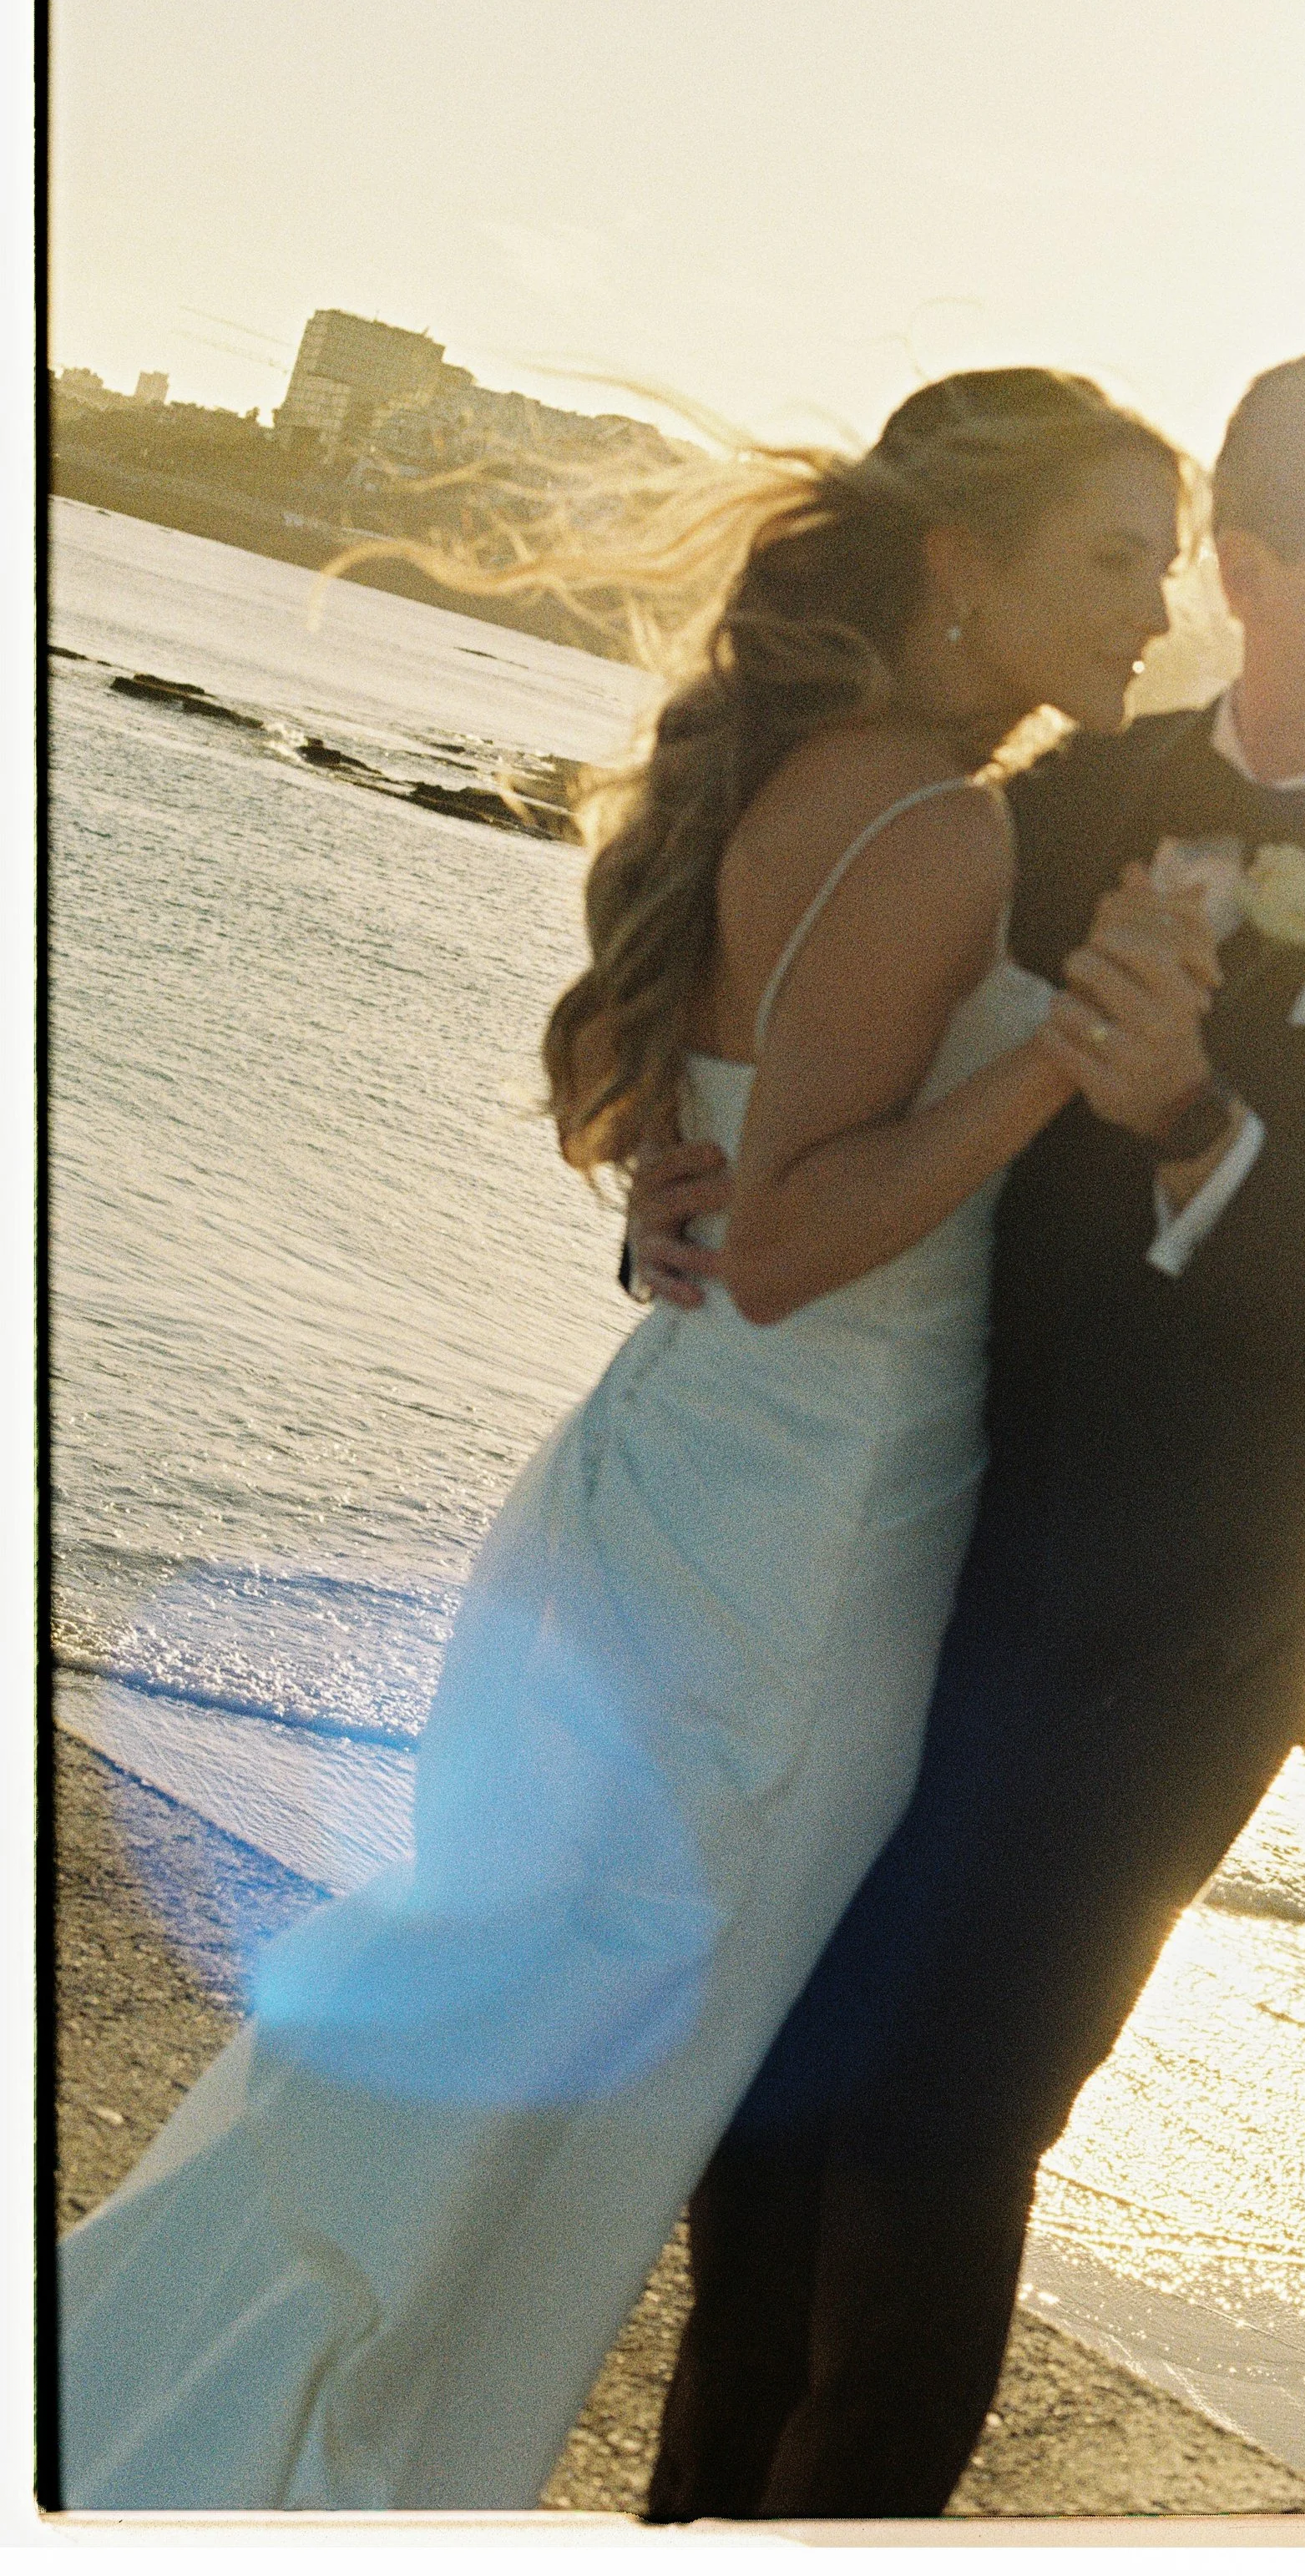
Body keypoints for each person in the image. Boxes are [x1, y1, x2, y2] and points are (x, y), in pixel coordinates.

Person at [56, 367, 1213, 2512]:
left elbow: (715, 1167)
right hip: (777, 1574)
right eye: (1114, 560)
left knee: (497, 2096)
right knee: (528, 2142)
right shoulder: (933, 820)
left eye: (1171, 567)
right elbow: (782, 1240)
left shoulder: (842, 778)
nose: (1157, 613)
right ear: (957, 564)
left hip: (691, 1508)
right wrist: (1068, 1056)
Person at [634, 354, 1305, 2521]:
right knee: (764, 2116)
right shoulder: (1054, 802)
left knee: (931, 2134)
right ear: (1247, 566)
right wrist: (696, 1146)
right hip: (876, 1562)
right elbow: (835, 1063)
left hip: (1161, 1649)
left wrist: (1195, 1109)